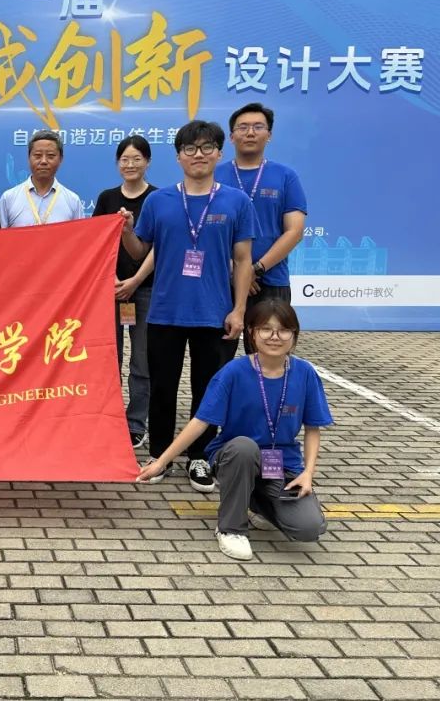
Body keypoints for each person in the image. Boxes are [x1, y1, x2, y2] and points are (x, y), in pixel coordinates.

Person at [136, 300, 332, 561]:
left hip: (281, 463)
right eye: (266, 329)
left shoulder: (305, 373)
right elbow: (200, 422)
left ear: (294, 335)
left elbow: (312, 429)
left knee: (309, 527)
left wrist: (308, 473)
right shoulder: (233, 372)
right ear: (251, 333)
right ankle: (231, 528)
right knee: (244, 447)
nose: (274, 336)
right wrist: (161, 462)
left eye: (284, 330)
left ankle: (257, 504)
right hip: (235, 457)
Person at [119, 120, 255, 493]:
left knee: (208, 390)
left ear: (219, 153)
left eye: (207, 147)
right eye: (190, 149)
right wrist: (127, 231)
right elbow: (140, 251)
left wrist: (239, 310)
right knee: (162, 387)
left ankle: (199, 457)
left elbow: (243, 260)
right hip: (165, 311)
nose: (199, 155)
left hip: (214, 313)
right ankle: (159, 454)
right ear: (178, 156)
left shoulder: (236, 202)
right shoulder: (159, 201)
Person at [217, 103, 307, 354]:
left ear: (269, 135)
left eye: (258, 127)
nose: (250, 133)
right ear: (231, 136)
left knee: (269, 359)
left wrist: (255, 269)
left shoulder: (286, 176)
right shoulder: (215, 176)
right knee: (216, 360)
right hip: (222, 281)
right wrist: (236, 270)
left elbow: (294, 231)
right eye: (243, 127)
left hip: (270, 282)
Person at [93, 136, 156, 448]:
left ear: (147, 162)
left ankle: (136, 422)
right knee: (109, 358)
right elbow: (95, 242)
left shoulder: (158, 198)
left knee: (142, 362)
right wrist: (113, 278)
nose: (130, 165)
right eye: (124, 159)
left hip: (146, 290)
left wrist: (134, 281)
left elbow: (158, 247)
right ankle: (109, 417)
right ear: (117, 163)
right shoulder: (106, 198)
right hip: (110, 290)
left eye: (136, 159)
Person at [0, 129, 83, 227]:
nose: (43, 161)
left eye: (50, 156)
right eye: (38, 155)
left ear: (60, 159)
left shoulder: (73, 201)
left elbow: (80, 235)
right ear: (29, 158)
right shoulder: (8, 198)